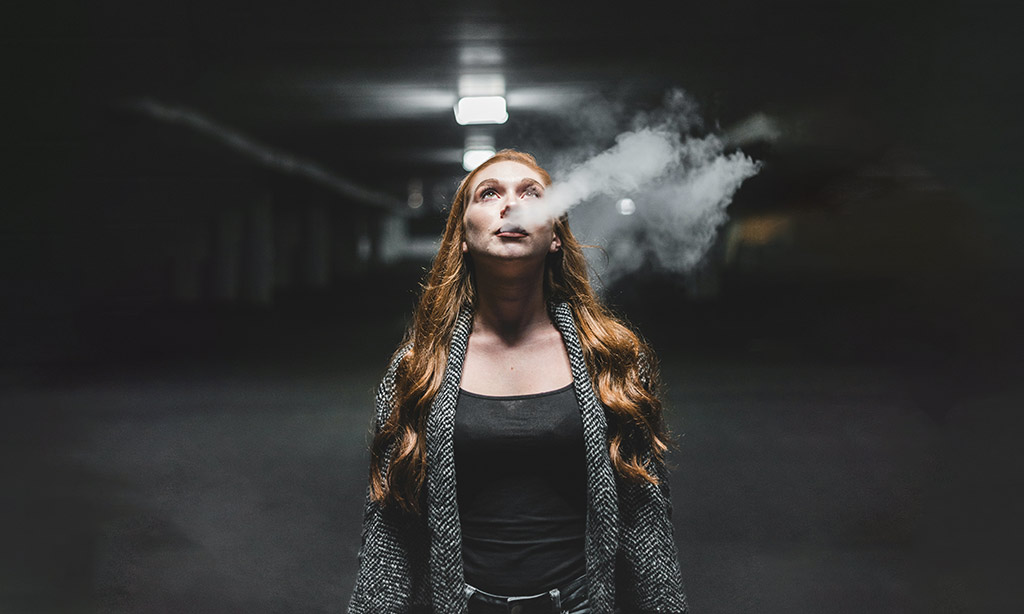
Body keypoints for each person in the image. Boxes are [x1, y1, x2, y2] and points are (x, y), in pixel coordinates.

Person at [347, 150, 688, 613]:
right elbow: (390, 530)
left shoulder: (612, 359)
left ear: (554, 237)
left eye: (532, 194)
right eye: (489, 194)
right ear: (462, 236)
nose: (512, 205)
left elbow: (646, 520)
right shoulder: (419, 368)